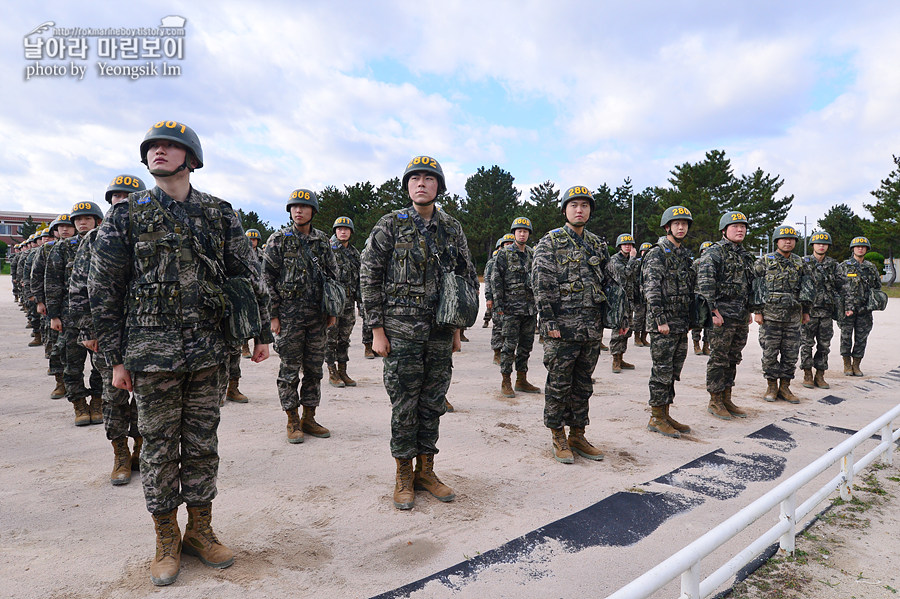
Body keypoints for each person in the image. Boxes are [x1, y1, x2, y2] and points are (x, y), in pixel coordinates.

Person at [90, 120, 272, 586]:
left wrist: (261, 333)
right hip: (151, 357)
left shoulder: (218, 213)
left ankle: (201, 529)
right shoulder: (127, 218)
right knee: (157, 450)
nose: (160, 152)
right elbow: (104, 292)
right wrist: (114, 359)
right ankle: (166, 537)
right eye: (153, 146)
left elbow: (247, 273)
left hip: (209, 352)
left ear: (191, 158)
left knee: (202, 445)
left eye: (171, 146)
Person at [360, 155, 477, 510]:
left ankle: (427, 470)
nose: (421, 183)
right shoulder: (389, 225)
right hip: (400, 334)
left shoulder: (452, 228)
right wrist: (377, 331)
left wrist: (457, 329)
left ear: (439, 186)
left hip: (439, 334)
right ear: (408, 186)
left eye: (429, 178)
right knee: (404, 406)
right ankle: (404, 475)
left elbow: (465, 277)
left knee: (432, 404)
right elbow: (369, 278)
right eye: (415, 179)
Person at [532, 185, 623, 464]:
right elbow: (540, 284)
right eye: (574, 205)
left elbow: (609, 281)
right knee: (559, 384)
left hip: (591, 327)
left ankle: (578, 434)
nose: (579, 209)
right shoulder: (550, 242)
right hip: (562, 328)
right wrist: (548, 322)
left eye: (584, 205)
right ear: (564, 210)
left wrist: (618, 317)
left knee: (583, 384)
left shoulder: (597, 243)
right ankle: (558, 435)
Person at [70, 174, 147, 482]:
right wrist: (87, 331)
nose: (120, 201)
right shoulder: (92, 240)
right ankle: (120, 453)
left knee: (147, 397)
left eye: (127, 197)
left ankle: (142, 448)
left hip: (147, 334)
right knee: (114, 398)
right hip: (107, 335)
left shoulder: (150, 237)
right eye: (115, 197)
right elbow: (79, 289)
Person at [264, 188, 339, 443]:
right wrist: (274, 315)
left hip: (317, 316)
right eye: (294, 207)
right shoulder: (278, 239)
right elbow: (267, 280)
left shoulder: (322, 241)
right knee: (289, 370)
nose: (298, 210)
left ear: (313, 212)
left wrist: (332, 311)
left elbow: (332, 276)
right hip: (289, 316)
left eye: (304, 207)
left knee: (314, 369)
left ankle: (309, 416)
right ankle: (292, 419)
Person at [47, 202, 105, 426]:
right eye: (78, 219)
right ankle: (79, 404)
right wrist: (53, 315)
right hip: (70, 319)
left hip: (99, 318)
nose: (82, 222)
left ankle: (97, 401)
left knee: (101, 364)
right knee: (72, 364)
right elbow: (52, 283)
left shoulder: (106, 241)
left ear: (97, 221)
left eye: (87, 219)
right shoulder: (62, 248)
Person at [696, 212, 756, 420]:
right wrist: (712, 312)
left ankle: (726, 397)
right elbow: (705, 285)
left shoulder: (746, 256)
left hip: (740, 316)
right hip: (721, 316)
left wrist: (749, 310)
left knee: (733, 358)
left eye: (743, 226)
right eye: (735, 226)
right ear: (724, 230)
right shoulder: (714, 253)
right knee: (719, 359)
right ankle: (714, 400)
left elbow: (749, 286)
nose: (740, 230)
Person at [642, 205, 696, 438]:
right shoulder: (657, 253)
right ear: (667, 227)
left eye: (684, 224)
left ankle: (665, 412)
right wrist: (660, 320)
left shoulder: (683, 255)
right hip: (663, 325)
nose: (681, 227)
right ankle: (656, 416)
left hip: (680, 323)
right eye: (676, 224)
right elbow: (651, 288)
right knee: (661, 371)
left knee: (674, 370)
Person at [750, 225, 812, 403]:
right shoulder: (765, 261)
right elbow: (756, 287)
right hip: (770, 317)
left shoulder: (800, 263)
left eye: (791, 239)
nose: (788, 241)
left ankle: (785, 387)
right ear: (776, 241)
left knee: (791, 354)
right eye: (784, 239)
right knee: (770, 353)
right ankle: (771, 386)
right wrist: (757, 311)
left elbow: (806, 289)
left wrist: (806, 311)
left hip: (793, 318)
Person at [492, 217, 540, 397]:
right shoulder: (504, 254)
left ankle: (522, 379)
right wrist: (498, 307)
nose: (522, 233)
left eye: (525, 231)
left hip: (529, 310)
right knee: (508, 347)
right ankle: (506, 381)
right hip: (510, 310)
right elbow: (496, 280)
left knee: (526, 347)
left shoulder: (532, 254)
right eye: (519, 231)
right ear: (513, 234)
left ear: (529, 234)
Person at [800, 231, 841, 388]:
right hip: (808, 312)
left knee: (824, 345)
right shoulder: (804, 262)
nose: (821, 246)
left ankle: (820, 375)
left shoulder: (833, 265)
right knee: (806, 344)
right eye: (818, 243)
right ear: (813, 245)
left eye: (824, 244)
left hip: (826, 312)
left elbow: (840, 287)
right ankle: (807, 374)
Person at [326, 216, 362, 388]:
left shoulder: (354, 253)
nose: (342, 231)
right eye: (339, 229)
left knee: (344, 338)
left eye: (346, 229)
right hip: (333, 303)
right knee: (330, 337)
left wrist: (361, 303)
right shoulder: (328, 250)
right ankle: (332, 371)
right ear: (335, 231)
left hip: (349, 302)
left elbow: (360, 279)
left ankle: (343, 370)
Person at [839, 236, 882, 376]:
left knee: (861, 338)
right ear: (853, 249)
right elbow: (837, 288)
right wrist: (844, 307)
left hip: (865, 309)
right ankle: (846, 364)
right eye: (858, 246)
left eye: (863, 247)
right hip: (848, 310)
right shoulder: (844, 266)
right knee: (846, 337)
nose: (860, 248)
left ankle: (856, 365)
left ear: (867, 249)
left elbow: (877, 287)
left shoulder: (870, 267)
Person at [608, 233, 640, 373]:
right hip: (618, 300)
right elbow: (626, 274)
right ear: (619, 246)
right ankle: (615, 359)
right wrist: (633, 259)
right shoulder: (615, 260)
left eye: (630, 244)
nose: (628, 246)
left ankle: (621, 357)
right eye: (625, 244)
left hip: (629, 299)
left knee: (628, 329)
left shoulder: (632, 260)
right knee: (618, 329)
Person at [485, 234, 515, 364]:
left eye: (510, 243)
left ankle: (508, 353)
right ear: (501, 246)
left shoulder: (515, 259)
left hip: (512, 300)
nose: (508, 246)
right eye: (506, 244)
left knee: (511, 328)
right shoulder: (494, 261)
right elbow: (488, 280)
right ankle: (497, 353)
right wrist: (489, 298)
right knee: (498, 327)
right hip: (498, 299)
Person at [239, 228, 265, 359]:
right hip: (245, 289)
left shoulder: (262, 254)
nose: (252, 242)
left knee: (259, 318)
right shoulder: (241, 253)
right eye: (249, 239)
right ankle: (244, 346)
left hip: (259, 289)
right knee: (245, 319)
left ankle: (258, 344)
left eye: (254, 239)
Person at [691, 241, 714, 355]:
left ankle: (706, 345)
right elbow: (691, 279)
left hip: (711, 297)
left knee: (709, 324)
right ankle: (696, 345)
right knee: (698, 322)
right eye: (704, 250)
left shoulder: (714, 263)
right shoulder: (696, 263)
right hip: (698, 296)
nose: (706, 252)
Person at [631, 242, 652, 347]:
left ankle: (644, 337)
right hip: (639, 294)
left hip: (649, 294)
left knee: (647, 317)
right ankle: (637, 337)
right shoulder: (637, 263)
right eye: (644, 251)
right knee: (639, 317)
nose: (645, 253)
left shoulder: (652, 263)